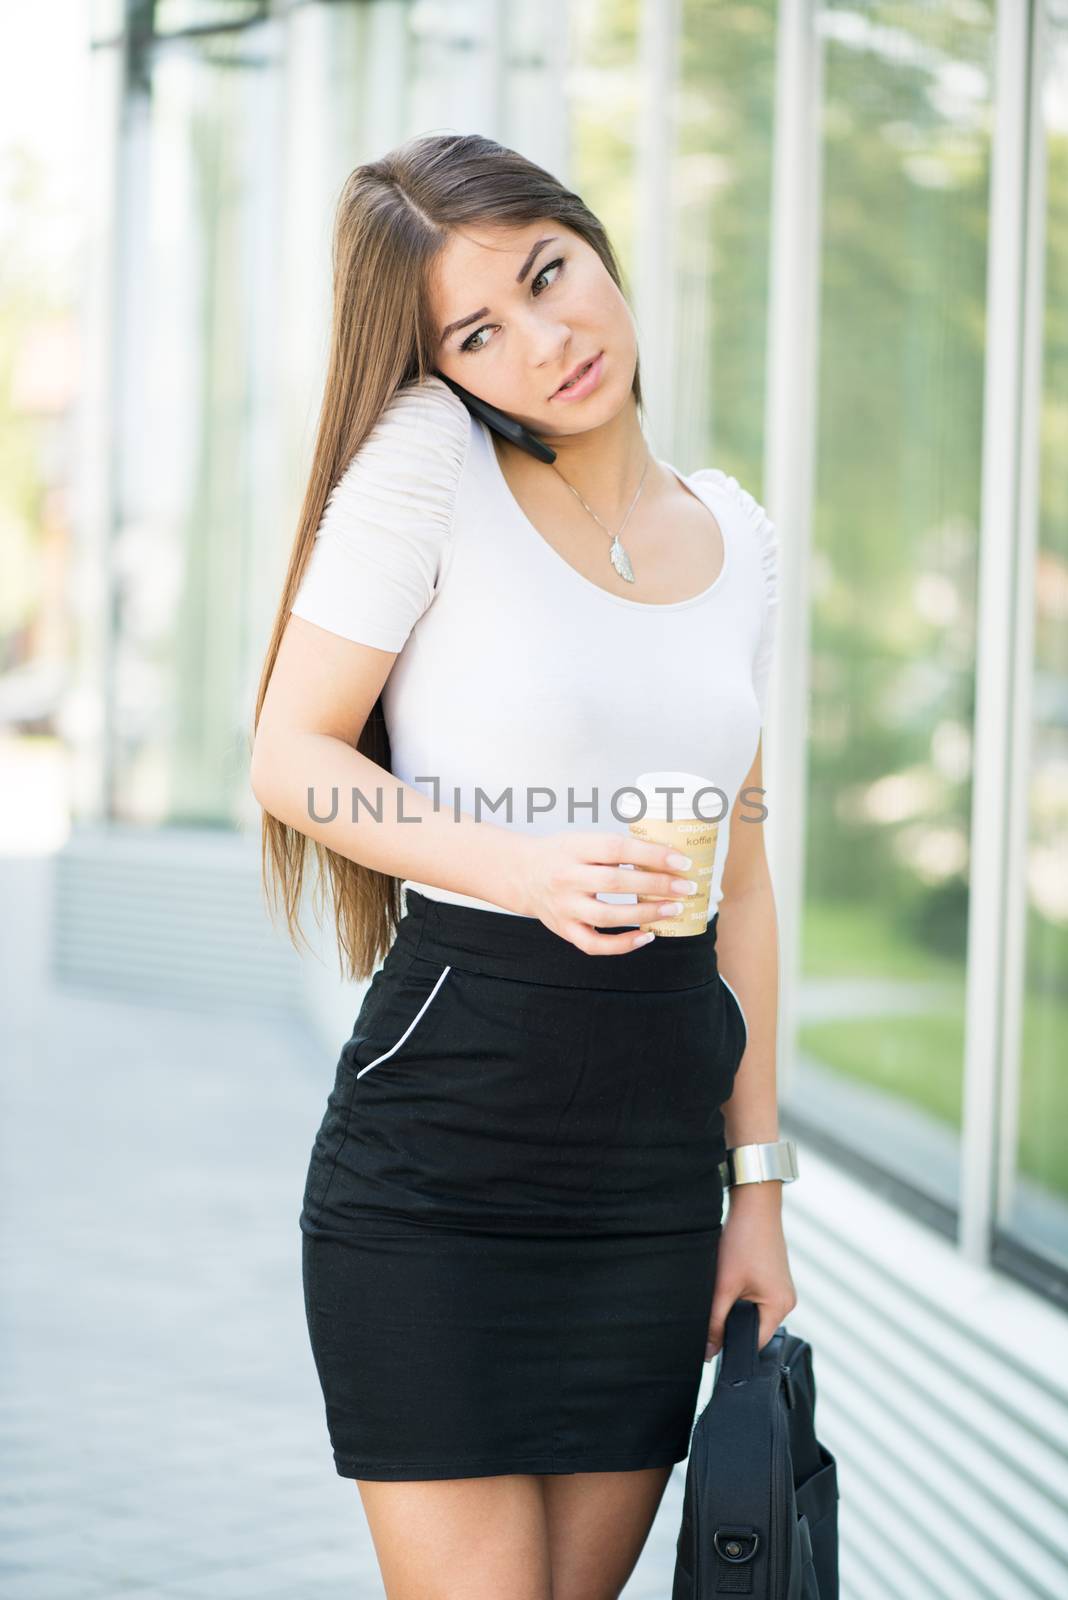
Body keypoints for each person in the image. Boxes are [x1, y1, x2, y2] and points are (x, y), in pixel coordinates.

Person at [250, 130, 797, 1600]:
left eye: (550, 277)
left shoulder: (735, 537)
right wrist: (527, 868)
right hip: (443, 1152)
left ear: (594, 244)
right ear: (445, 368)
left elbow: (742, 886)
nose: (546, 343)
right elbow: (291, 758)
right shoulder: (429, 465)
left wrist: (758, 1194)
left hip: (651, 1185)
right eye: (480, 330)